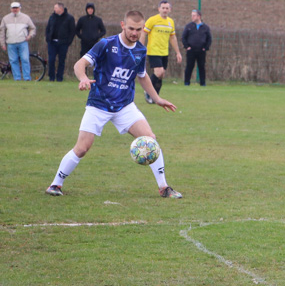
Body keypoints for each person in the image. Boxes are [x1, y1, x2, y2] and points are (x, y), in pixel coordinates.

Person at [45, 10, 183, 199]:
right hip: (98, 104)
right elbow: (79, 64)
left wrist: (157, 99)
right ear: (122, 25)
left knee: (150, 139)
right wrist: (83, 78)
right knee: (82, 147)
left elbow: (142, 77)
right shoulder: (106, 44)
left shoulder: (140, 50)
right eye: (131, 28)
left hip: (124, 106)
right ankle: (56, 184)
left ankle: (164, 187)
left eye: (139, 29)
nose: (135, 33)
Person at [141, 0, 183, 103]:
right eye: (163, 8)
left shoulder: (170, 22)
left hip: (164, 52)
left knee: (162, 74)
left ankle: (156, 97)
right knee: (158, 72)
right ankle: (147, 91)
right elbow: (143, 33)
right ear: (159, 9)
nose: (165, 10)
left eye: (167, 8)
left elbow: (172, 38)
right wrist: (141, 47)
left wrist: (178, 52)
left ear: (170, 10)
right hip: (153, 51)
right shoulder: (152, 20)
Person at [0, 2, 37, 81]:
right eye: (13, 8)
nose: (15, 9)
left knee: (25, 59)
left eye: (16, 8)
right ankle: (17, 78)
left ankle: (27, 78)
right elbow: (2, 31)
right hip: (10, 43)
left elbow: (33, 28)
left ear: (20, 8)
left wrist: (29, 36)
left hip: (22, 42)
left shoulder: (26, 17)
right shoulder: (5, 18)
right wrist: (2, 43)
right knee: (13, 61)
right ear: (11, 9)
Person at [44, 2, 76, 82]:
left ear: (60, 9)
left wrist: (68, 42)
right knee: (51, 60)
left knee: (61, 61)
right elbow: (48, 28)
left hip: (63, 43)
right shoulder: (52, 17)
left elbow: (72, 31)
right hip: (52, 43)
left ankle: (59, 78)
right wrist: (48, 38)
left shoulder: (69, 18)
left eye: (56, 8)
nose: (54, 9)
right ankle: (51, 77)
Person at [181, 9, 212, 86]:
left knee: (201, 67)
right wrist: (187, 46)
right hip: (191, 50)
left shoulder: (205, 27)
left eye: (194, 15)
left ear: (199, 16)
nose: (192, 17)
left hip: (201, 51)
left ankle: (203, 83)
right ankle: (187, 82)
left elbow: (209, 38)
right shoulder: (189, 26)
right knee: (189, 66)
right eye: (192, 15)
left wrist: (205, 47)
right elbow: (183, 37)